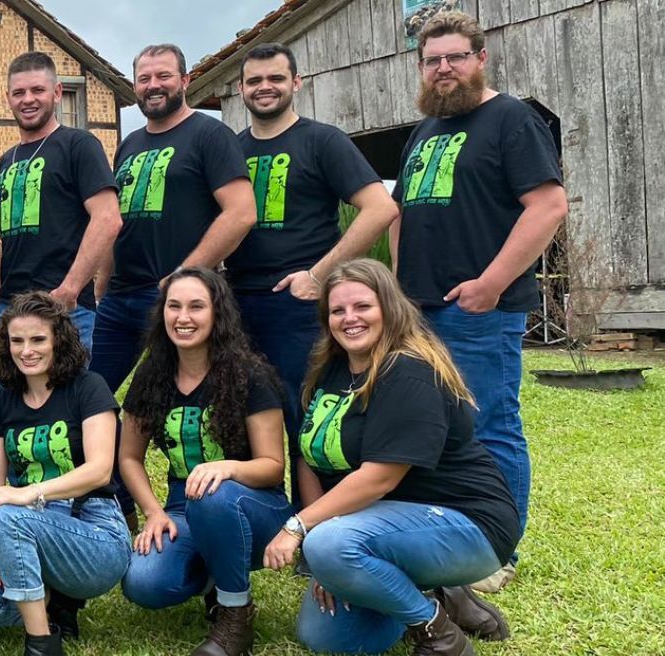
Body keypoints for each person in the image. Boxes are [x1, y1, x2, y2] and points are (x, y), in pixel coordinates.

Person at [393, 10, 567, 590]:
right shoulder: (424, 131)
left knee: (490, 421)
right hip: (419, 309)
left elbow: (547, 206)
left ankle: (498, 550)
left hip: (479, 310)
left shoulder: (511, 119)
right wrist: (396, 286)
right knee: (433, 426)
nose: (443, 68)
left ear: (480, 59)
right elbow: (405, 218)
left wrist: (491, 284)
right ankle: (452, 533)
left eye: (455, 57)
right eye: (432, 60)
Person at [264, 258, 517, 655]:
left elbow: (379, 478)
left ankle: (438, 633)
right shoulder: (332, 369)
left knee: (331, 545)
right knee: (329, 639)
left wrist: (302, 531)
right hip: (384, 524)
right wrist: (327, 561)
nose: (350, 319)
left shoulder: (409, 371)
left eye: (362, 306)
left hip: (464, 521)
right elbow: (308, 456)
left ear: (389, 307)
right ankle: (436, 593)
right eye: (337, 310)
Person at [96, 43, 255, 528]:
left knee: (166, 400)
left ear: (185, 80)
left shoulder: (209, 134)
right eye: (144, 79)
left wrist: (184, 278)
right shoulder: (129, 145)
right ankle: (110, 499)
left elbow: (241, 212)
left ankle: (203, 505)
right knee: (93, 397)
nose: (153, 86)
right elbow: (114, 222)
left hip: (177, 302)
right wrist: (101, 287)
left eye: (163, 76)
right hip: (121, 298)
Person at [115, 268, 291, 656]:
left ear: (217, 313)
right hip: (182, 507)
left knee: (214, 496)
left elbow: (273, 465)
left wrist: (226, 467)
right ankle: (214, 577)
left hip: (254, 506)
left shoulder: (249, 374)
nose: (183, 317)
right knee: (143, 583)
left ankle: (234, 616)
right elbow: (128, 456)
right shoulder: (152, 374)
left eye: (197, 306)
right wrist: (153, 512)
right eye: (174, 306)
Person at [0, 291, 132, 656]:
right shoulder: (5, 398)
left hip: (93, 528)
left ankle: (41, 642)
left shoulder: (87, 387)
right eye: (17, 341)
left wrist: (23, 497)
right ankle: (49, 597)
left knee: (5, 514)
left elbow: (99, 470)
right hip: (21, 521)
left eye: (37, 340)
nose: (26, 350)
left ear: (58, 341)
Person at [229, 43, 395, 434]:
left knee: (304, 413)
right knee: (245, 416)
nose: (264, 87)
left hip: (298, 304)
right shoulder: (232, 148)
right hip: (237, 303)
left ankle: (316, 499)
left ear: (297, 82)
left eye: (275, 78)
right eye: (254, 80)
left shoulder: (323, 140)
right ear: (240, 89)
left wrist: (317, 275)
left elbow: (380, 208)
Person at [0, 51, 122, 422]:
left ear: (58, 92)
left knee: (60, 420)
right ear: (8, 98)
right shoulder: (7, 160)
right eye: (18, 92)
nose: (27, 99)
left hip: (65, 309)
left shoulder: (79, 145)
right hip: (9, 309)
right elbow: (10, 238)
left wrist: (69, 290)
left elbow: (107, 219)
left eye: (37, 90)